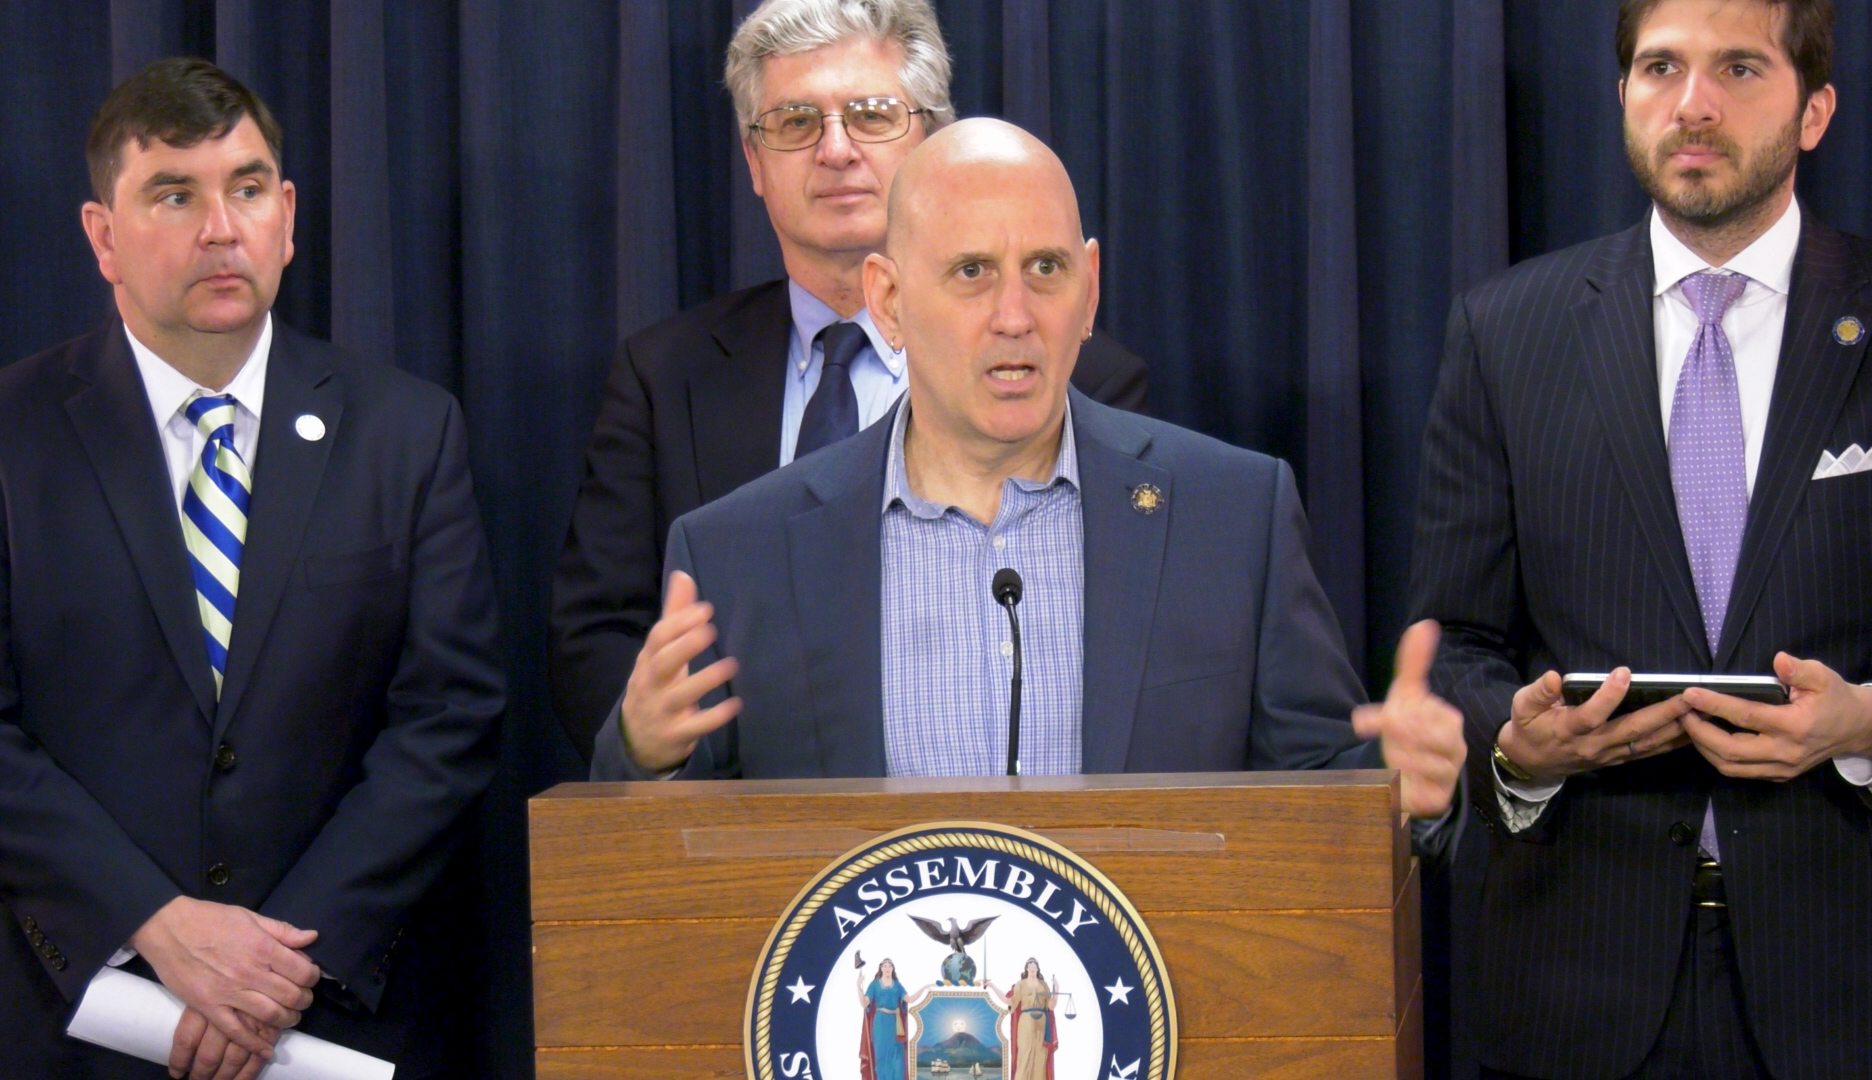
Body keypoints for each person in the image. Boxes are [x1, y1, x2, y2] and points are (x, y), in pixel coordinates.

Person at [590, 118, 1466, 842]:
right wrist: (643, 752)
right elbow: (663, 861)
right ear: (889, 301)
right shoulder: (740, 548)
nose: (1015, 317)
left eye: (1045, 271)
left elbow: (1319, 795)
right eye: (972, 273)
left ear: (1088, 291)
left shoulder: (1233, 514)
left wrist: (1393, 783)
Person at [1407, 0, 1872, 1075]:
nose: (1693, 105)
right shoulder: (1505, 333)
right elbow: (1453, 643)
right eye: (1660, 69)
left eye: (1738, 68)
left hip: (1858, 990)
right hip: (1573, 991)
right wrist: (1516, 745)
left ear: (1814, 109)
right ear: (1623, 95)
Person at [0, 59, 504, 1080]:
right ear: (103, 236)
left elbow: (448, 718)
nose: (219, 228)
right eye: (173, 194)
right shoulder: (12, 432)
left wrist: (271, 968)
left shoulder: (407, 431)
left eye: (246, 188)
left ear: (287, 214)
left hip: (331, 1023)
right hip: (76, 1021)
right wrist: (156, 924)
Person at [548, 0, 1150, 762]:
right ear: (754, 162)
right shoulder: (664, 375)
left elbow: (1122, 649)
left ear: (931, 137)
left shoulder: (1080, 373)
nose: (835, 150)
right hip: (749, 839)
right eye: (797, 123)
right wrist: (666, 759)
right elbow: (597, 642)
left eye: (870, 116)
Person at [986, 959, 1056, 1080]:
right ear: (1027, 969)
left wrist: (1057, 987)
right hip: (1026, 1021)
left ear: (1037, 969)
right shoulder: (1020, 984)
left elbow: (1050, 1006)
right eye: (1030, 965)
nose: (1032, 968)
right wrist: (992, 986)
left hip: (1041, 1023)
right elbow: (1009, 1001)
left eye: (1034, 965)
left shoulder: (1043, 985)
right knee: (1024, 1055)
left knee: (1040, 1057)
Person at [858, 958, 908, 1080]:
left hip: (895, 1024)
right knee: (881, 1058)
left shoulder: (897, 985)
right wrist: (858, 985)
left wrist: (925, 988)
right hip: (880, 1022)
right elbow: (864, 1003)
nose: (887, 968)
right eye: (885, 966)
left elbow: (909, 999)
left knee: (898, 1060)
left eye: (890, 966)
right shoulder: (874, 984)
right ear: (881, 968)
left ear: (893, 969)